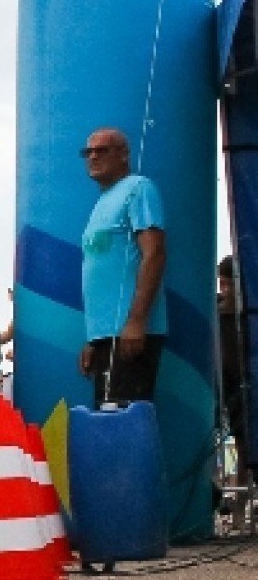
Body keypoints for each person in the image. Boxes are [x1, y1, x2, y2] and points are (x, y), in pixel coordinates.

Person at [80, 128, 168, 406]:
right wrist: (95, 339)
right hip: (106, 335)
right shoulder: (101, 202)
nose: (93, 156)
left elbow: (154, 253)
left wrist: (137, 321)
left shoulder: (139, 189)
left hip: (130, 333)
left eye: (102, 150)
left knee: (124, 421)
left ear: (124, 155)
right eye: (88, 152)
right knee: (108, 419)